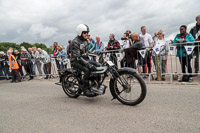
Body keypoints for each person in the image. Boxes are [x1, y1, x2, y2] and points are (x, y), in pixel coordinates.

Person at [69, 24, 100, 97]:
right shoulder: (75, 42)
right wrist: (88, 64)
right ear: (80, 32)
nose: (87, 34)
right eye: (85, 32)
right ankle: (86, 89)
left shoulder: (85, 40)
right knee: (87, 70)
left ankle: (95, 83)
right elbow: (78, 57)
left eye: (87, 32)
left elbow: (86, 52)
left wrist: (95, 55)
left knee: (98, 65)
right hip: (76, 61)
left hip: (84, 59)